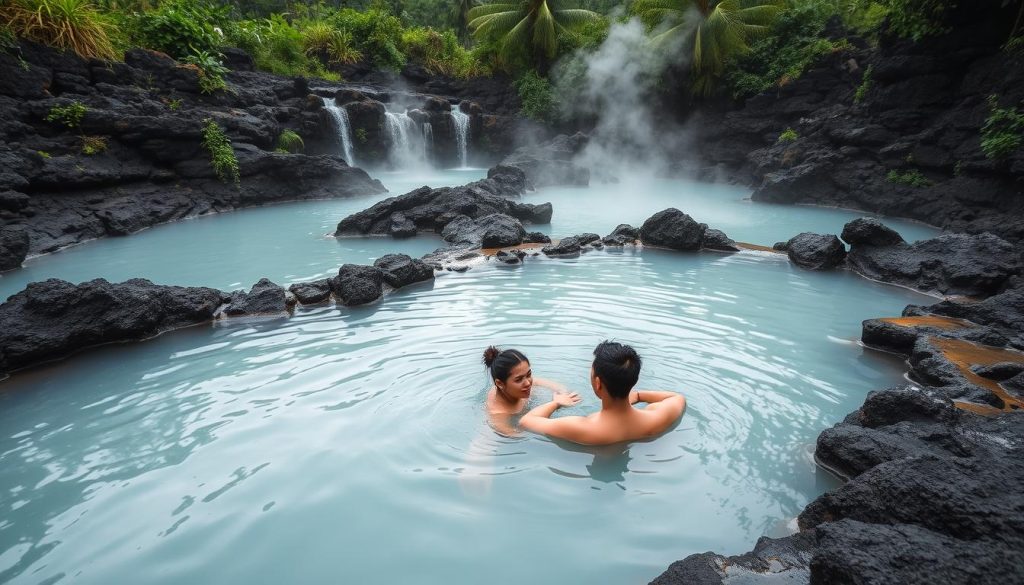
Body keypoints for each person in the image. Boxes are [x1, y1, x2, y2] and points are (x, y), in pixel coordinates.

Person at [518, 341, 686, 446]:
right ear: (634, 379)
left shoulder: (582, 428)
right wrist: (639, 395)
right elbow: (677, 397)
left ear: (597, 383)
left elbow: (526, 421)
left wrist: (556, 403)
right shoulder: (657, 417)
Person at [483, 346, 580, 435]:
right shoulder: (498, 414)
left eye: (529, 374)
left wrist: (563, 391)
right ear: (500, 384)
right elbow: (518, 436)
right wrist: (555, 404)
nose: (528, 383)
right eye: (519, 379)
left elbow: (542, 383)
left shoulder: (517, 388)